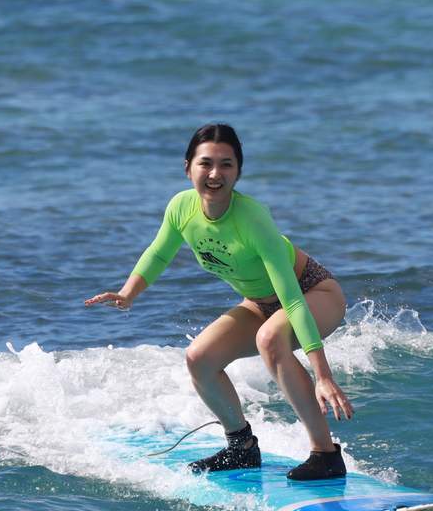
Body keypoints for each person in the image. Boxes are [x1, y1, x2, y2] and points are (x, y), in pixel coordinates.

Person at [85, 123, 354, 480]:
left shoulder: (253, 219)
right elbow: (159, 253)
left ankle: (326, 455)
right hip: (259, 302)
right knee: (199, 357)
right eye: (206, 163)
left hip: (313, 293)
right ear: (188, 168)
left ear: (239, 171)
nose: (215, 173)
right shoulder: (182, 208)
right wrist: (128, 293)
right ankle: (241, 447)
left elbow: (291, 299)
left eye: (226, 164)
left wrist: (323, 374)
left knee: (270, 340)